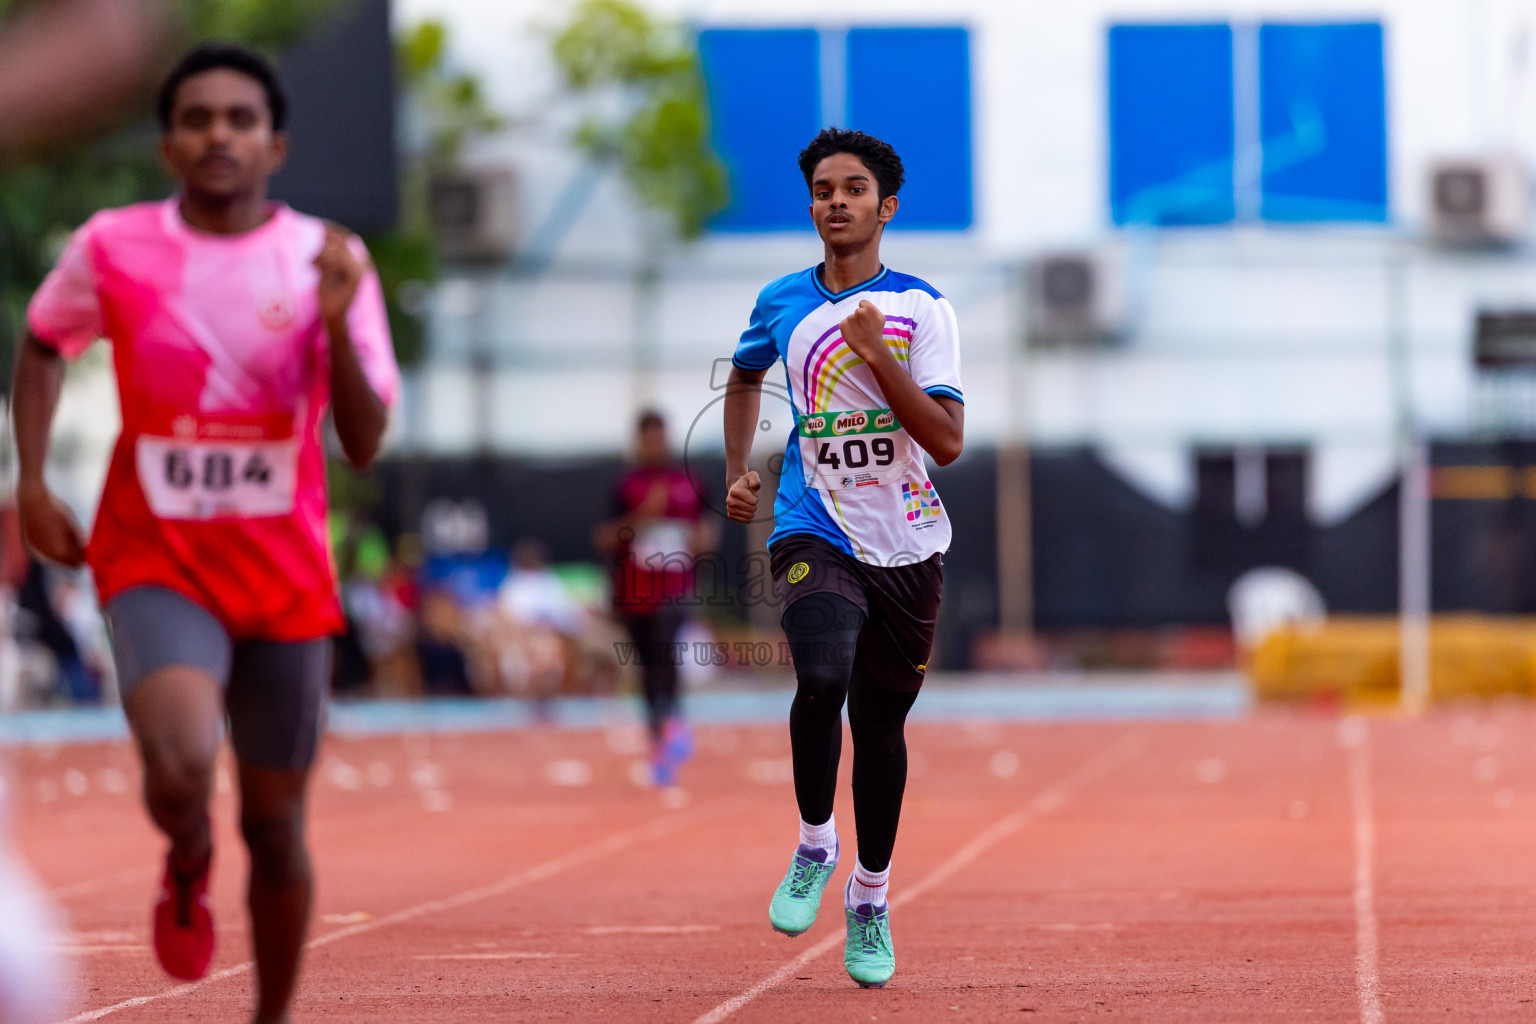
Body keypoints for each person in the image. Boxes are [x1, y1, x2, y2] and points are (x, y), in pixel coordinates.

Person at [13, 43, 398, 1023]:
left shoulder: (331, 257)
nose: (217, 134)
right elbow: (44, 342)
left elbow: (360, 443)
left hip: (280, 566)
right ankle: (186, 849)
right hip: (155, 554)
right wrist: (33, 477)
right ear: (169, 145)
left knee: (275, 824)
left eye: (238, 119)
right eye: (197, 119)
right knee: (182, 767)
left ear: (276, 144)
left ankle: (270, 1014)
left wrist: (337, 322)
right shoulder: (112, 244)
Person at [722, 128, 964, 988]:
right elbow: (746, 375)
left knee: (881, 724)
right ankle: (816, 844)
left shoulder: (923, 310)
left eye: (853, 189)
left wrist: (875, 354)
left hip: (905, 540)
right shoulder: (783, 301)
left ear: (884, 207)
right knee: (821, 677)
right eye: (824, 189)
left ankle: (870, 895)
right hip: (810, 525)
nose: (836, 201)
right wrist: (739, 469)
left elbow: (946, 440)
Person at [595, 411, 709, 785]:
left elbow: (707, 533)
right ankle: (658, 732)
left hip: (674, 589)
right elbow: (605, 538)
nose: (654, 446)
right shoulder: (623, 487)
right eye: (647, 439)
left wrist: (697, 540)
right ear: (638, 441)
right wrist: (643, 516)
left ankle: (672, 723)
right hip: (633, 592)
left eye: (659, 438)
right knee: (646, 664)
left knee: (666, 648)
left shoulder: (689, 482)